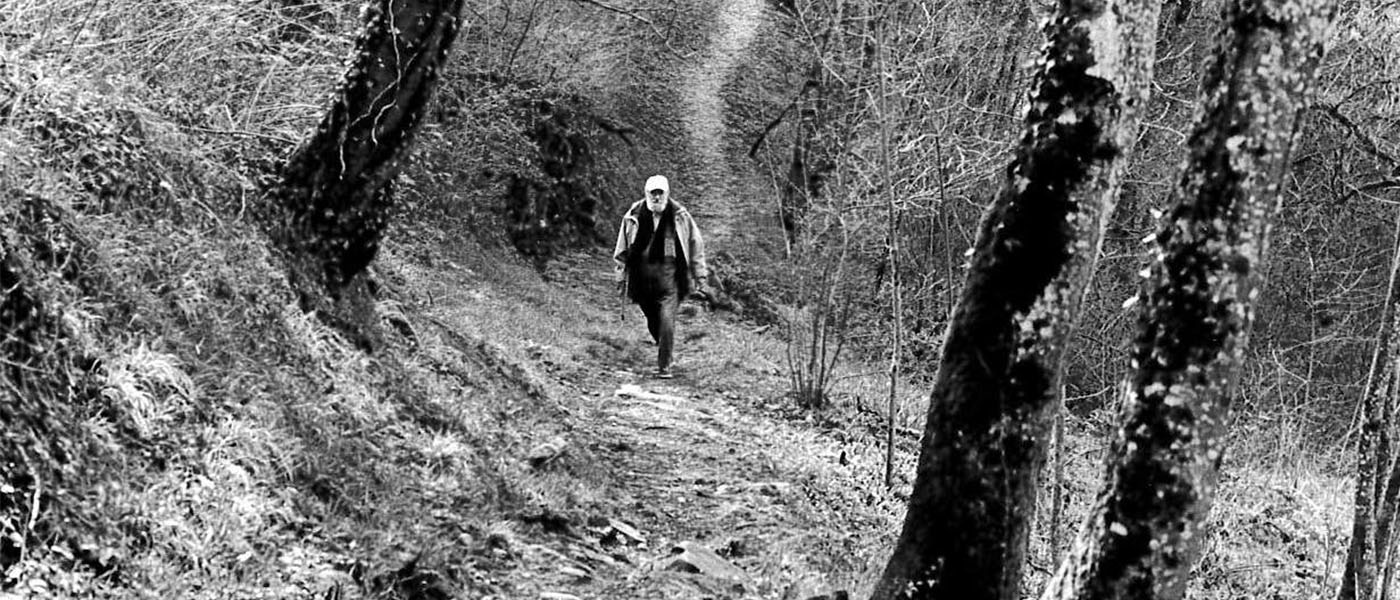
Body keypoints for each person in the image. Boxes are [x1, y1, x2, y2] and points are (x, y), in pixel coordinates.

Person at [613, 175, 709, 378]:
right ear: (647, 194)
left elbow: (695, 244)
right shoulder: (633, 215)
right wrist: (620, 276)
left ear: (667, 194)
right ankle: (663, 343)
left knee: (667, 320)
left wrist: (700, 275)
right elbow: (622, 249)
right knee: (652, 318)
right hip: (642, 278)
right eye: (653, 193)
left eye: (660, 193)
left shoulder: (680, 216)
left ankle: (664, 365)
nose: (656, 197)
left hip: (671, 277)